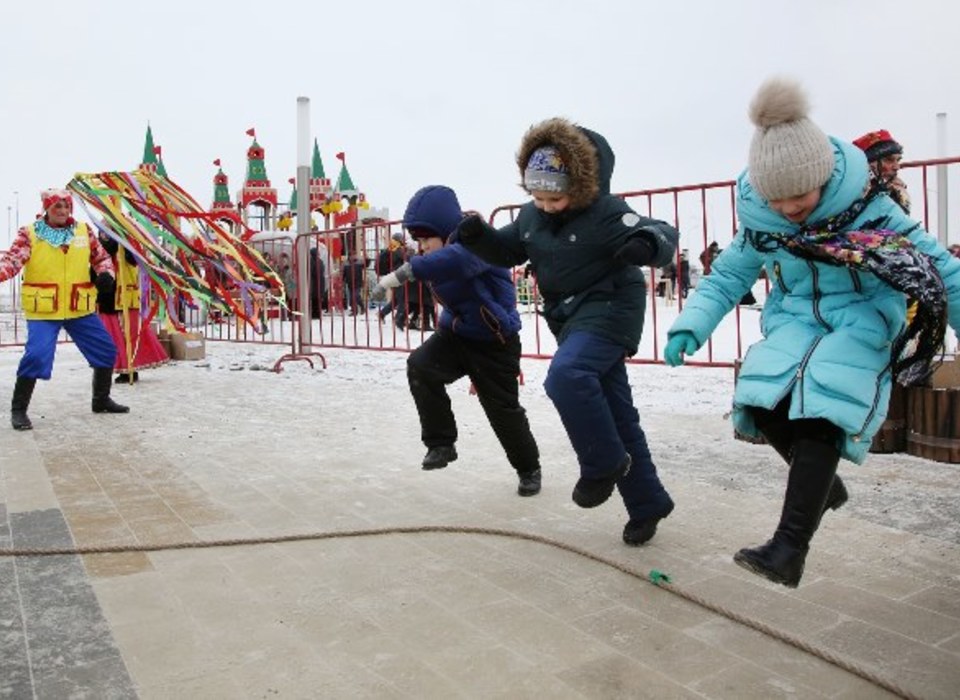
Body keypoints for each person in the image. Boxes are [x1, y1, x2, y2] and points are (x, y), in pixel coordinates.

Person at [664, 77, 960, 587]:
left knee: (822, 401)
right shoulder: (764, 222)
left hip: (864, 313)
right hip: (796, 318)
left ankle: (788, 549)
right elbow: (729, 275)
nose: (789, 210)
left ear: (822, 175)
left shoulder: (873, 209)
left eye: (798, 195)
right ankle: (824, 488)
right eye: (776, 200)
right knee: (756, 401)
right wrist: (691, 324)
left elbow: (941, 270)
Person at [456, 117, 679, 545]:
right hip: (572, 317)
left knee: (567, 376)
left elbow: (664, 232)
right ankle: (648, 502)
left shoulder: (607, 213)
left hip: (612, 309)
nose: (544, 205)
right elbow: (505, 250)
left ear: (576, 188)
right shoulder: (531, 217)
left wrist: (646, 245)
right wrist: (477, 236)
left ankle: (601, 465)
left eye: (553, 198)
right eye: (536, 196)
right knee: (616, 413)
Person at [372, 185, 542, 496]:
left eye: (426, 240)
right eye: (417, 242)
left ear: (446, 231)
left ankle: (528, 467)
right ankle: (441, 443)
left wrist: (403, 272)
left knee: (502, 410)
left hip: (495, 340)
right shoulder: (437, 254)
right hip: (456, 334)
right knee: (420, 366)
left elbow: (457, 261)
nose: (421, 248)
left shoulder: (479, 243)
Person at [0, 189, 130, 430]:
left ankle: (100, 400)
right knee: (36, 356)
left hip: (78, 307)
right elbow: (12, 260)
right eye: (56, 206)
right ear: (47, 208)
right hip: (45, 310)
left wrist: (105, 275)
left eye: (65, 206)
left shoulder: (83, 231)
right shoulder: (30, 233)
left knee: (106, 349)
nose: (62, 211)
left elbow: (101, 258)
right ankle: (18, 410)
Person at [93, 231, 168, 383]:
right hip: (108, 296)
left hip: (124, 297)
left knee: (128, 335)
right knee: (112, 335)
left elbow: (133, 259)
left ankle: (130, 368)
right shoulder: (100, 247)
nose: (103, 235)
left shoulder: (127, 244)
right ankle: (120, 367)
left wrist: (119, 238)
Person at [852, 129, 910, 214]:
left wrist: (899, 196)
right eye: (889, 160)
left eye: (898, 160)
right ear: (869, 163)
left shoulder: (892, 188)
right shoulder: (856, 189)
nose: (897, 167)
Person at [376, 231, 408, 323]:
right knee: (402, 299)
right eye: (402, 239)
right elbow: (405, 258)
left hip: (394, 276)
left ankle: (381, 314)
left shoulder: (391, 248)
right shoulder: (396, 249)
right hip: (398, 277)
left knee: (396, 300)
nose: (403, 240)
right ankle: (398, 319)